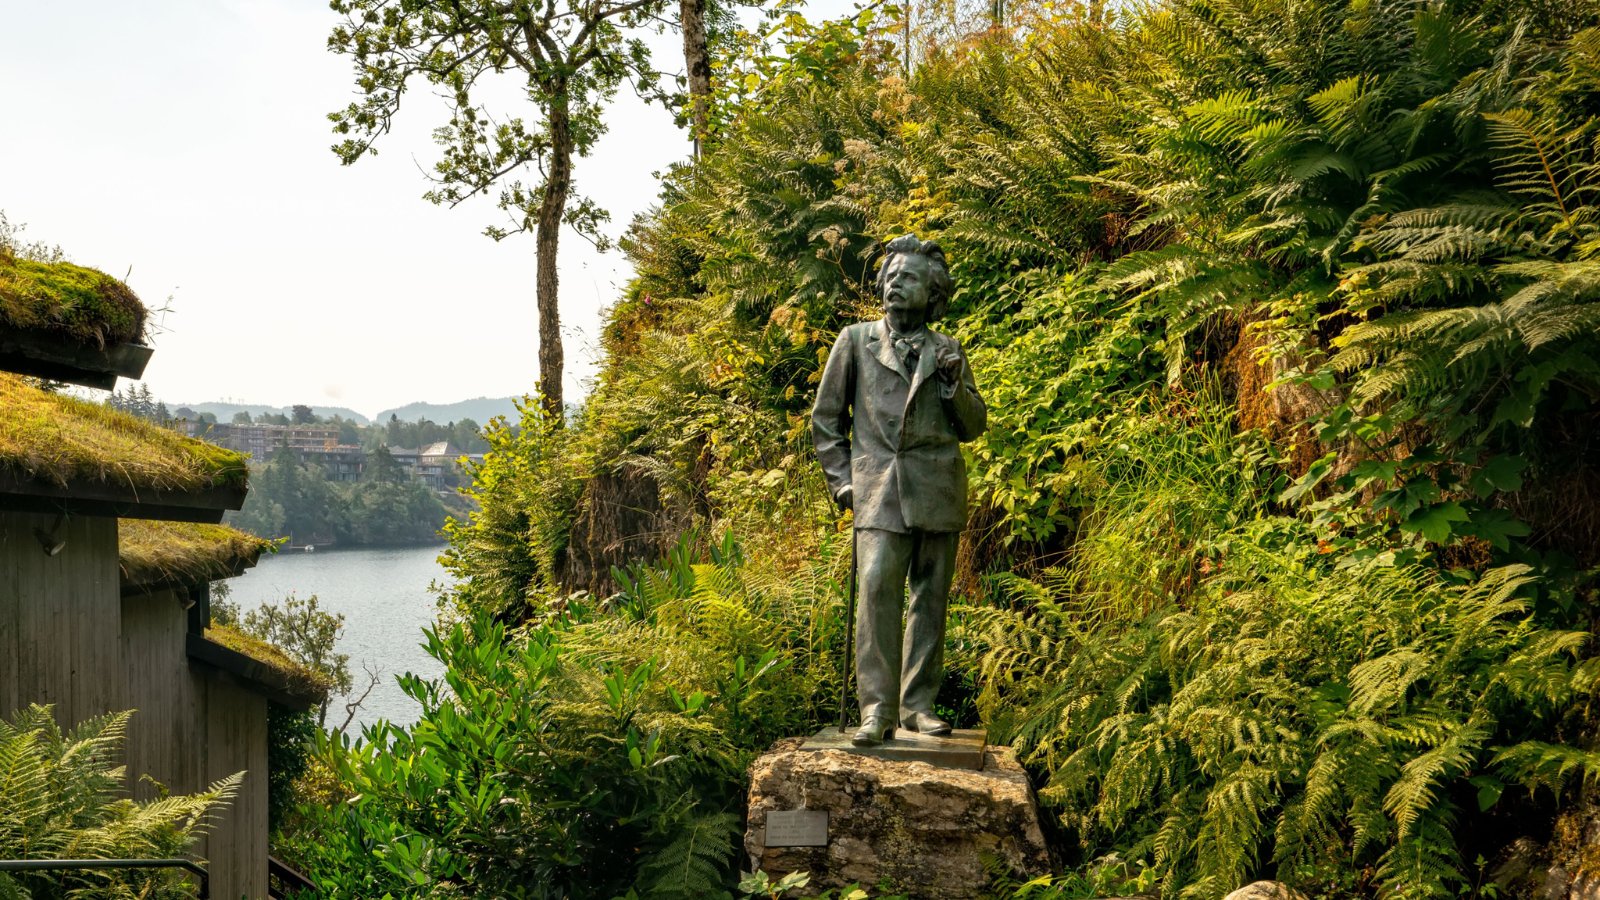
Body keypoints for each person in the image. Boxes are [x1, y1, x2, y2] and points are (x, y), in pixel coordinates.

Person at [811, 234, 988, 746]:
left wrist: (955, 386)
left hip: (937, 489)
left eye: (907, 278)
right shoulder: (854, 340)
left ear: (933, 293)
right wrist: (842, 481)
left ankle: (917, 706)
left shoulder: (948, 349)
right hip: (876, 491)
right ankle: (877, 709)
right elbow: (826, 422)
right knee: (875, 588)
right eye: (890, 277)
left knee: (930, 600)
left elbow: (974, 426)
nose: (894, 285)